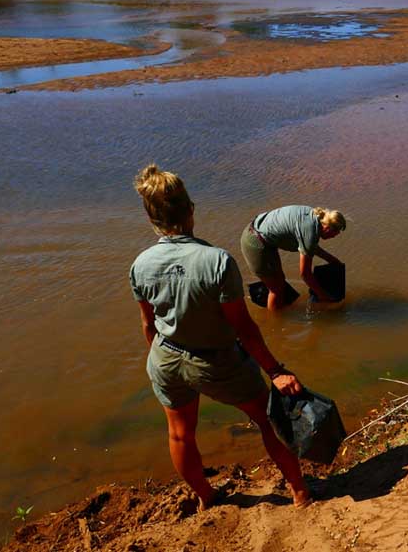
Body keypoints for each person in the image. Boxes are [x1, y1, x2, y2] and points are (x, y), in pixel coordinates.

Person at [130, 165, 311, 509]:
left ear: (150, 217)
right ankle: (300, 492)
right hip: (215, 361)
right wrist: (275, 371)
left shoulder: (141, 264)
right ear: (191, 211)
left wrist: (160, 363)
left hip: (165, 357)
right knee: (269, 419)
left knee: (180, 434)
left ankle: (206, 496)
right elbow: (244, 327)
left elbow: (147, 326)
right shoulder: (217, 261)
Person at [240, 205, 346, 311]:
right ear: (327, 228)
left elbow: (310, 246)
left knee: (279, 280)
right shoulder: (310, 231)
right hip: (255, 242)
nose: (334, 237)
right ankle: (274, 323)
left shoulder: (315, 216)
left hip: (263, 237)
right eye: (334, 234)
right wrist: (322, 295)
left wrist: (332, 260)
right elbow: (305, 274)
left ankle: (277, 309)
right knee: (276, 288)